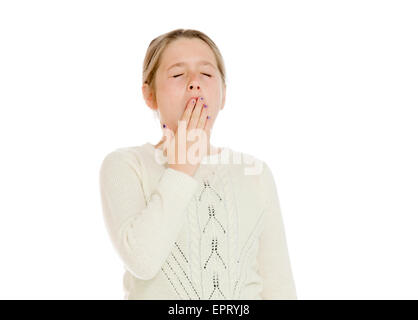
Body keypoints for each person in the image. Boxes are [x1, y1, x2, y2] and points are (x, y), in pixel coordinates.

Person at [99, 28, 297, 300]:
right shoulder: (125, 165)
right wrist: (182, 167)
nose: (194, 82)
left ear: (223, 94)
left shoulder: (255, 173)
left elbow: (280, 287)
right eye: (178, 75)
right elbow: (143, 260)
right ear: (149, 95)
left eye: (206, 74)